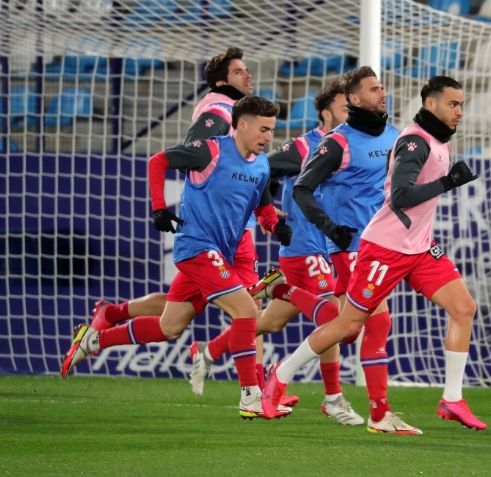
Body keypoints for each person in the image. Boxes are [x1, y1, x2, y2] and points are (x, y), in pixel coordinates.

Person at [261, 76, 487, 433]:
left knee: (463, 307)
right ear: (431, 104)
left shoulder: (411, 136)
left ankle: (451, 399)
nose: (459, 111)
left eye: (462, 105)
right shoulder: (405, 141)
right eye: (453, 104)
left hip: (418, 246)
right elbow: (399, 197)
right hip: (381, 247)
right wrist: (449, 182)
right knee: (349, 325)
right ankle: (282, 377)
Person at [62, 96, 290, 420]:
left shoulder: (262, 165)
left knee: (170, 327)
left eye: (272, 130)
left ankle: (95, 339)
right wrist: (159, 208)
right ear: (242, 124)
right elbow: (158, 161)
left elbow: (262, 208)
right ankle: (250, 395)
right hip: (196, 248)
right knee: (247, 310)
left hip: (220, 254)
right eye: (264, 129)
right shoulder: (209, 150)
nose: (269, 137)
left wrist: (275, 226)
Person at [88, 47, 272, 389]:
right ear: (221, 81)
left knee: (175, 321)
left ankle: (109, 320)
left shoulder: (235, 115)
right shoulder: (220, 110)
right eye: (238, 71)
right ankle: (255, 390)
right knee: (249, 308)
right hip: (215, 232)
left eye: (246, 70)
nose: (248, 75)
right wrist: (165, 205)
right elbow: (194, 156)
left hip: (230, 231)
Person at [189, 80, 365, 425]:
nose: (351, 115)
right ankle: (332, 397)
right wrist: (270, 208)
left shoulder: (348, 145)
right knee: (333, 318)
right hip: (305, 247)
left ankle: (209, 350)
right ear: (327, 113)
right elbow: (265, 167)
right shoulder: (307, 147)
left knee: (269, 320)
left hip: (328, 247)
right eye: (346, 109)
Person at [271, 65, 404, 432]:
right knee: (367, 320)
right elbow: (283, 181)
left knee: (344, 325)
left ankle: (279, 302)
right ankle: (372, 411)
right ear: (338, 107)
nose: (382, 93)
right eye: (373, 89)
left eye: (382, 87)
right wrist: (271, 217)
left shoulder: (389, 134)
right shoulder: (321, 144)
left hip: (378, 242)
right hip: (334, 245)